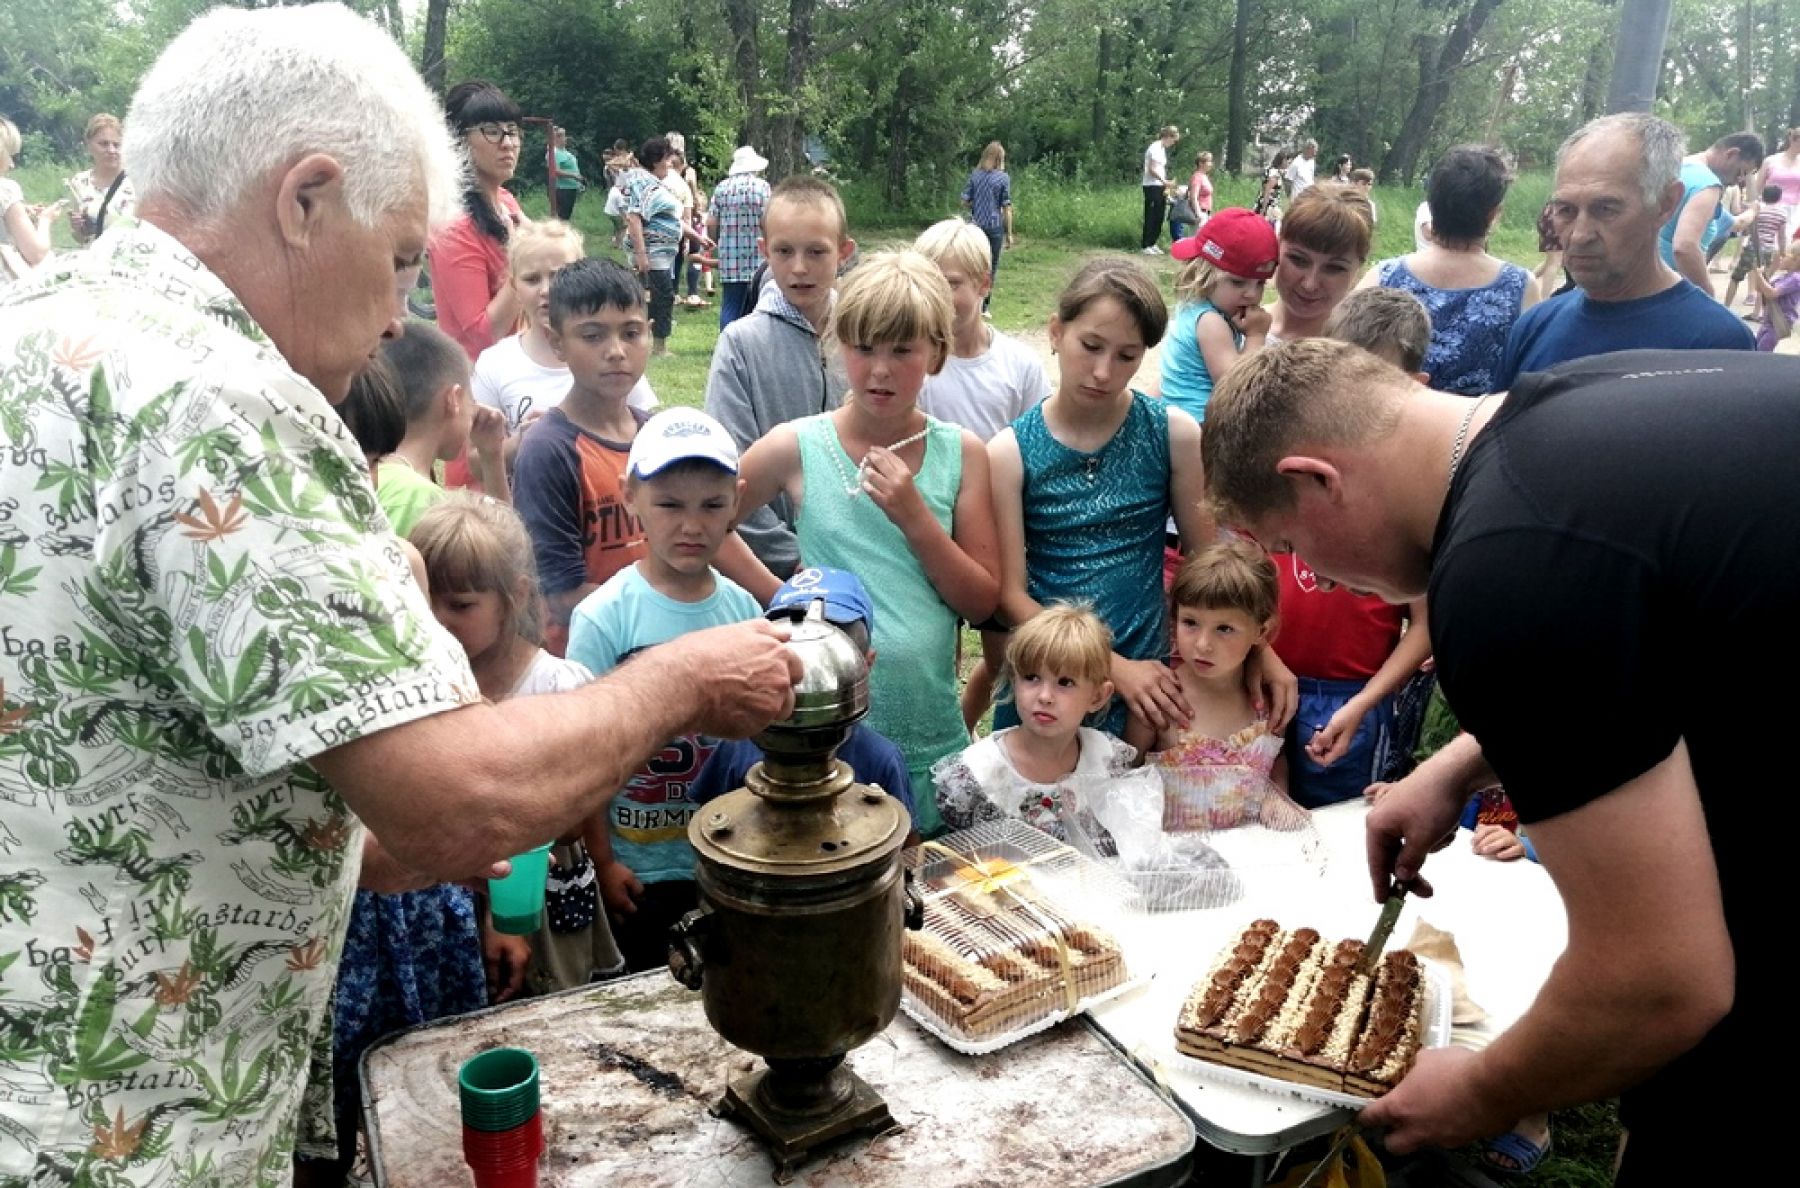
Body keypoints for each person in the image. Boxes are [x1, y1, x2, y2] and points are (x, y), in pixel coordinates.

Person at [0, 7, 800, 1182]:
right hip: (136, 1134)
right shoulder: (227, 400)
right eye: (394, 261)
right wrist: (678, 681)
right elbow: (449, 805)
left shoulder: (36, 330)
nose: (393, 321)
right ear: (304, 198)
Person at [1199, 335, 1799, 1184]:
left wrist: (1482, 1089)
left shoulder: (1502, 568)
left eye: (1290, 545)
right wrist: (1457, 767)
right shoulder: (1566, 398)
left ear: (1316, 480)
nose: (1314, 581)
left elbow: (1663, 982)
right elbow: (1647, 642)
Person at [730, 251, 1001, 836]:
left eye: (902, 350)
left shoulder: (963, 454)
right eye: (863, 348)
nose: (880, 370)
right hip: (824, 736)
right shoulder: (796, 446)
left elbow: (981, 602)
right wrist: (783, 595)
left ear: (936, 352)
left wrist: (915, 518)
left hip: (928, 731)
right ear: (837, 345)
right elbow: (709, 521)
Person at [985, 258, 1295, 748]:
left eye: (1127, 356)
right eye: (1090, 346)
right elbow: (1012, 596)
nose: (1104, 372)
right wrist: (1113, 667)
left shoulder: (1171, 434)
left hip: (1145, 687)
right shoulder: (1009, 452)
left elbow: (1207, 566)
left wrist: (1262, 653)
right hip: (1049, 681)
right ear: (1055, 332)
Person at [567, 408, 764, 972]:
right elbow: (588, 755)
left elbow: (753, 746)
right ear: (632, 497)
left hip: (723, 859)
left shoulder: (742, 613)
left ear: (737, 501)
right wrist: (603, 860)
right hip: (637, 868)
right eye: (670, 504)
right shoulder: (604, 618)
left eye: (711, 505)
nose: (692, 525)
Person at [1269, 286, 1434, 808]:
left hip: (1351, 700)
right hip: (1266, 681)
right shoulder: (1289, 462)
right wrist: (1257, 659)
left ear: (1414, 386)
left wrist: (1365, 703)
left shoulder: (1413, 496)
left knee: (1337, 827)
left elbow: (1425, 626)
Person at [1493, 114, 1754, 391]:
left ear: (1666, 204)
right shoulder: (1534, 327)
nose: (1580, 235)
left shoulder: (1718, 344)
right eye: (1565, 210)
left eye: (1605, 209)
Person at [703, 174, 856, 579]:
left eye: (817, 252)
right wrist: (792, 558)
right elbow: (729, 469)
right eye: (784, 251)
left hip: (863, 559)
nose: (799, 268)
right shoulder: (741, 345)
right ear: (763, 251)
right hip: (775, 574)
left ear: (844, 252)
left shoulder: (865, 339)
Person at [691, 566, 922, 835]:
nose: (806, 670)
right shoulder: (735, 749)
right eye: (791, 645)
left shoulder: (880, 759)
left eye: (828, 653)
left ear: (864, 664)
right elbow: (709, 831)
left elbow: (907, 850)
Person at [512, 257, 655, 655]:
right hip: (586, 658)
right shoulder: (549, 450)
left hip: (660, 644)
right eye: (592, 336)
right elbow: (560, 593)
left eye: (631, 333)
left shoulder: (655, 435)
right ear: (556, 342)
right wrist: (671, 601)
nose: (615, 351)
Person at [934, 604, 1133, 840]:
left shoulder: (1106, 760)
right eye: (1031, 678)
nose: (1045, 696)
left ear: (1097, 696)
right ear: (1014, 680)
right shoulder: (976, 777)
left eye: (1065, 682)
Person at [471, 219, 656, 462]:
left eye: (558, 275)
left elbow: (647, 435)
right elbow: (474, 460)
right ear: (514, 285)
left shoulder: (612, 358)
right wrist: (522, 443)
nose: (546, 290)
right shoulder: (495, 363)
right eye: (532, 279)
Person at [1363, 146, 1540, 395]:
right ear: (1493, 214)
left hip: (1395, 429)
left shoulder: (1383, 276)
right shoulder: (1521, 287)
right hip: (1476, 432)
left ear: (1431, 204)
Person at [1149, 541, 1292, 831]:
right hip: (1174, 866)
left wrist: (1278, 800)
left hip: (1250, 862)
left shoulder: (1267, 703)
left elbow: (1276, 765)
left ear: (1260, 631)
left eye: (1224, 629)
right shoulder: (1162, 699)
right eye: (1190, 622)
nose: (1203, 644)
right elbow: (1124, 782)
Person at [914, 217, 1050, 442]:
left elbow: (1039, 444)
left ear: (984, 284)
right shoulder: (908, 364)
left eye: (951, 284)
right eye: (926, 283)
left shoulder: (1020, 366)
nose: (937, 297)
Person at [377, 322, 510, 534]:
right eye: (471, 399)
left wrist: (491, 455)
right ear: (454, 399)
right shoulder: (417, 499)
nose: (474, 410)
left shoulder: (371, 472)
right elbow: (504, 553)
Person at [1158, 207, 1279, 425]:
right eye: (1237, 282)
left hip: (1180, 421)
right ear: (1203, 272)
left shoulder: (1195, 306)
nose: (1252, 294)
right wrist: (1255, 337)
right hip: (1199, 428)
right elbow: (1235, 388)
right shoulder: (1211, 322)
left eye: (1260, 283)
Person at [432, 80, 525, 362]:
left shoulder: (506, 201)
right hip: (479, 382)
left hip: (520, 368)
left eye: (512, 131)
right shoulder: (455, 226)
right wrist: (523, 264)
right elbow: (482, 336)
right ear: (459, 141)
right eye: (492, 132)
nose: (507, 143)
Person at [1266, 182, 1374, 343]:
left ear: (1359, 267)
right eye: (1298, 260)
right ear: (1277, 245)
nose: (1310, 284)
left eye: (1334, 268)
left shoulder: (1359, 355)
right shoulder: (1227, 327)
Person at [1660, 130, 1763, 294]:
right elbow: (1685, 247)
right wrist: (1707, 294)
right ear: (1731, 154)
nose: (1740, 180)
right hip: (1668, 286)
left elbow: (1735, 223)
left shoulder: (1676, 167)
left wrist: (1752, 211)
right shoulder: (1708, 185)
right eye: (1741, 172)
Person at [620, 136, 687, 356]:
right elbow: (633, 217)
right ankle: (658, 347)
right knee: (662, 297)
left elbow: (667, 217)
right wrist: (642, 255)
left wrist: (696, 236)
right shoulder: (642, 181)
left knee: (653, 297)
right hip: (652, 253)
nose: (670, 164)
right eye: (668, 159)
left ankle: (648, 343)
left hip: (658, 254)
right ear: (658, 160)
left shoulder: (649, 181)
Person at [708, 144, 772, 329]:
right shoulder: (762, 187)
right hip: (758, 255)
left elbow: (711, 222)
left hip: (730, 257)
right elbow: (769, 219)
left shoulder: (722, 188)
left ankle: (727, 344)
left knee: (731, 304)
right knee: (757, 304)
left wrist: (716, 243)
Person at [0, 114, 60, 285]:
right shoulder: (6, 189)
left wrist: (20, 210)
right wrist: (45, 220)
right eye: (9, 155)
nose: (11, 164)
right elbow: (36, 253)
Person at [65, 112, 137, 244]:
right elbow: (81, 239)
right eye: (104, 144)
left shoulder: (137, 181)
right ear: (89, 146)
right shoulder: (79, 183)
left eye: (116, 145)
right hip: (95, 259)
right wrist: (78, 228)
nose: (111, 150)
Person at [1723, 182, 1788, 310]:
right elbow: (1781, 236)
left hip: (1753, 247)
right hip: (1768, 250)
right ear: (1779, 198)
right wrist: (1782, 251)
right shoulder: (1782, 214)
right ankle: (1756, 312)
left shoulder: (1757, 210)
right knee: (1763, 279)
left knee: (1736, 277)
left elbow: (1747, 225)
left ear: (1763, 196)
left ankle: (1726, 306)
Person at [961, 139, 1014, 293]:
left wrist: (977, 203)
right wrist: (1009, 234)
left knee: (974, 263)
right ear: (1000, 159)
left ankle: (971, 294)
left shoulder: (975, 175)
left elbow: (964, 201)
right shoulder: (1003, 178)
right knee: (992, 265)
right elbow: (1006, 207)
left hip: (975, 224)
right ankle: (984, 304)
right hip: (994, 226)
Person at [1747, 245, 1800, 350]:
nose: (1781, 258)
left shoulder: (1795, 279)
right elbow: (1760, 289)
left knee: (1762, 353)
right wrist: (1759, 276)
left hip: (1778, 322)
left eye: (1785, 256)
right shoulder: (1783, 277)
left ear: (1797, 259)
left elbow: (1772, 293)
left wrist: (1760, 276)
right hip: (1769, 321)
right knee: (1756, 348)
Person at [1754, 124, 1800, 236]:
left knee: (1788, 244)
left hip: (1794, 210)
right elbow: (1757, 188)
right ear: (1792, 140)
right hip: (1770, 208)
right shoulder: (1771, 161)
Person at [1141, 125, 1180, 254]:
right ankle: (1146, 244)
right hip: (1151, 185)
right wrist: (1164, 181)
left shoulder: (1162, 149)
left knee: (1160, 214)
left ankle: (1153, 242)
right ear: (1168, 136)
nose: (1173, 143)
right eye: (1173, 140)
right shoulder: (1155, 147)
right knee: (1151, 214)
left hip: (1160, 185)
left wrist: (1165, 184)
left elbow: (1160, 168)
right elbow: (1151, 169)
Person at [550, 125, 584, 220]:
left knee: (566, 215)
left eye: (564, 135)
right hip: (563, 189)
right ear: (556, 138)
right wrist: (573, 175)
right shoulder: (554, 152)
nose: (565, 138)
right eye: (562, 136)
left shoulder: (565, 152)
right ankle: (559, 234)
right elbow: (555, 170)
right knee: (562, 217)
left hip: (571, 188)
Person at [1189, 151, 1216, 222]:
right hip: (1200, 212)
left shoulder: (1204, 176)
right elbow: (1193, 197)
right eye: (1209, 161)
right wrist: (1198, 213)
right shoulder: (1197, 177)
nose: (1211, 164)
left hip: (1206, 213)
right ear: (1201, 163)